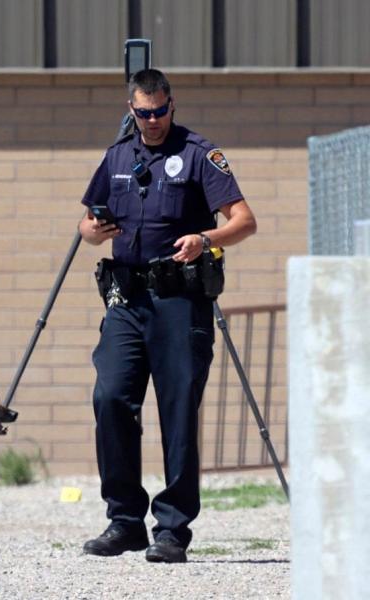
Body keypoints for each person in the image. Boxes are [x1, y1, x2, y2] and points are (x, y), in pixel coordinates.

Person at [77, 69, 256, 563]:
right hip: (126, 301)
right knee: (110, 396)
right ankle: (125, 521)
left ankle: (173, 529)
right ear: (131, 110)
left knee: (177, 412)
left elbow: (244, 221)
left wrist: (205, 240)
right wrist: (94, 229)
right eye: (143, 113)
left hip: (179, 302)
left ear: (172, 105)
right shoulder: (117, 155)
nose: (152, 121)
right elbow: (86, 224)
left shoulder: (199, 154)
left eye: (160, 111)